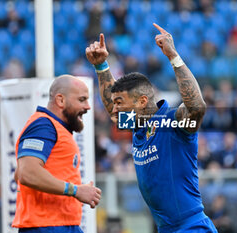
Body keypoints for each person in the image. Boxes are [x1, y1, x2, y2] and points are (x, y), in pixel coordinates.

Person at [86, 23, 217, 233]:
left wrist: (173, 56)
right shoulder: (139, 126)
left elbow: (197, 107)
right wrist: (101, 66)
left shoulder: (171, 122)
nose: (115, 109)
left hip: (191, 227)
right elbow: (112, 110)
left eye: (120, 102)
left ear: (142, 101)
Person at [12, 75, 102, 233]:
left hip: (62, 224)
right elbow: (27, 173)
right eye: (82, 100)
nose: (88, 106)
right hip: (46, 226)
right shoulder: (43, 125)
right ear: (60, 100)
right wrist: (75, 190)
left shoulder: (58, 129)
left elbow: (20, 171)